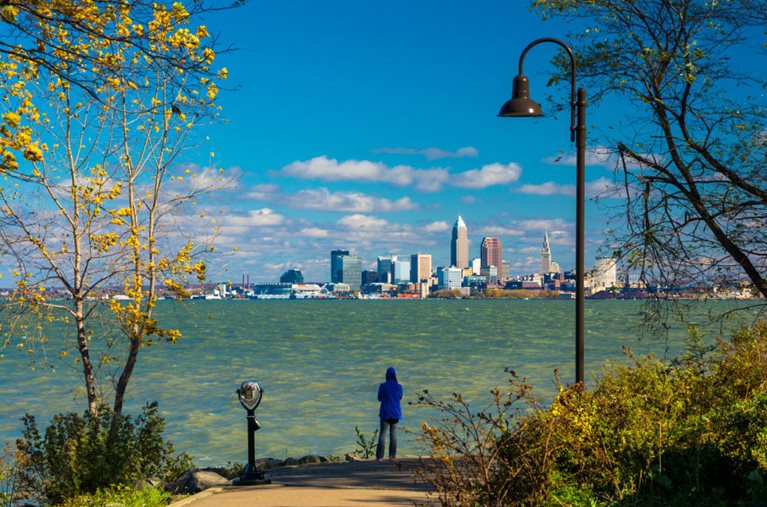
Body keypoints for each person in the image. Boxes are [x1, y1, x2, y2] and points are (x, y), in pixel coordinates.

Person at [376, 366, 402, 461]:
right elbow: (400, 398)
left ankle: (379, 457)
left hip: (385, 412)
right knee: (393, 434)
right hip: (395, 412)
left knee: (382, 434)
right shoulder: (399, 387)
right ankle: (392, 456)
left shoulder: (383, 386)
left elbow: (379, 398)